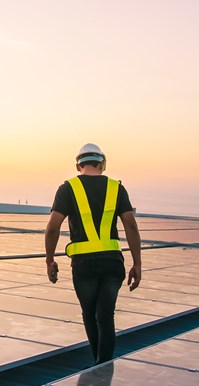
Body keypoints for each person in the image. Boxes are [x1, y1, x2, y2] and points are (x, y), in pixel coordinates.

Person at [44, 143, 142, 365]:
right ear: (102, 164)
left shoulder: (68, 188)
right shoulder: (117, 188)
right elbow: (131, 226)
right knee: (106, 317)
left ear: (78, 164)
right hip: (112, 263)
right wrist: (137, 263)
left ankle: (98, 365)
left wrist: (50, 260)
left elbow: (52, 228)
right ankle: (104, 365)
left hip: (84, 265)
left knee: (89, 315)